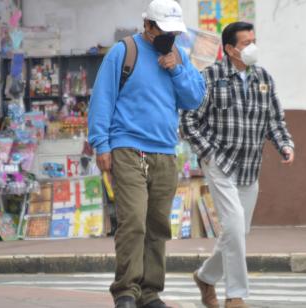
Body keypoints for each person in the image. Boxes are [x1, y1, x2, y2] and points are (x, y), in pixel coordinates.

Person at [87, 0, 205, 307]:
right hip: (127, 148)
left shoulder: (178, 56)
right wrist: (101, 144)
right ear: (148, 26)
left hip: (165, 152)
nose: (170, 37)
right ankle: (126, 290)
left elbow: (194, 99)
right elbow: (102, 98)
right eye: (164, 31)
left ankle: (150, 293)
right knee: (134, 221)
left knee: (157, 225)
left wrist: (176, 68)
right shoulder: (123, 52)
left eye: (174, 32)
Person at [180, 21, 295, 308]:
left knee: (238, 233)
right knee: (232, 229)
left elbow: (274, 121)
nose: (252, 47)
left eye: (254, 40)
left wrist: (284, 144)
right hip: (220, 163)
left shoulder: (263, 78)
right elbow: (188, 121)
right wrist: (208, 153)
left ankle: (205, 277)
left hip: (249, 166)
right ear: (229, 49)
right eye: (246, 43)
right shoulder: (209, 77)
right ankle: (236, 296)